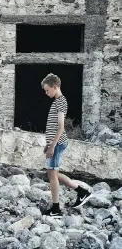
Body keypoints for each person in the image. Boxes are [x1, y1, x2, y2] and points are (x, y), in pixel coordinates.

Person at [41, 73, 92, 218]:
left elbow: (61, 127)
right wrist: (49, 144)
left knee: (52, 175)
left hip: (57, 144)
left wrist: (52, 146)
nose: (46, 93)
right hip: (54, 143)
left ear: (55, 87)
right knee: (54, 174)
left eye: (47, 90)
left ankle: (56, 210)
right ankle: (82, 192)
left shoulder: (61, 102)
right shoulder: (57, 101)